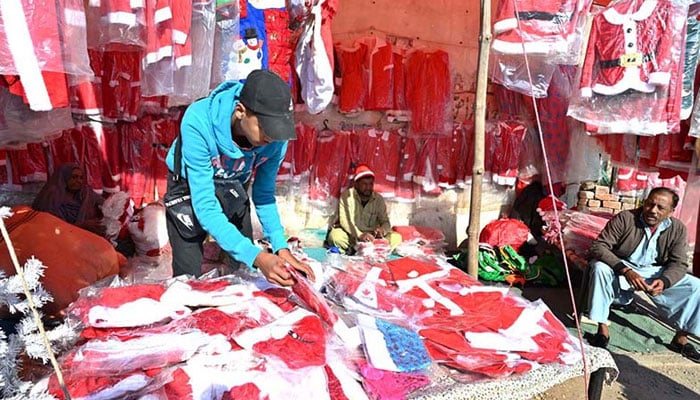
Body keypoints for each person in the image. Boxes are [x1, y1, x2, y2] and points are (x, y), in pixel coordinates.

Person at [164, 69, 313, 286]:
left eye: (277, 130)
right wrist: (258, 257)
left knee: (241, 274)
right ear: (240, 111)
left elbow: (263, 195)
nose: (271, 137)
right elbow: (205, 207)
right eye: (265, 128)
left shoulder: (274, 140)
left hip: (232, 184)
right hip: (190, 186)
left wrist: (280, 247)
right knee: (188, 281)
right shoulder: (198, 121)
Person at [586, 187, 700, 362]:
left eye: (660, 208)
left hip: (654, 271)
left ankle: (681, 338)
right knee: (600, 267)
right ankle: (602, 331)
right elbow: (599, 247)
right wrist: (626, 271)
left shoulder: (677, 229)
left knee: (695, 286)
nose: (652, 210)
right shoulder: (626, 218)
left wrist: (664, 281)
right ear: (644, 203)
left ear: (671, 211)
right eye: (649, 204)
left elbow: (679, 263)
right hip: (623, 266)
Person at [326, 164, 402, 254]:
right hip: (352, 236)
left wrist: (382, 230)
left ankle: (373, 250)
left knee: (396, 238)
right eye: (364, 184)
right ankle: (356, 249)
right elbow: (345, 221)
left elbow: (385, 222)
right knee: (335, 236)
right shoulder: (347, 197)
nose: (368, 188)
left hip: (371, 239)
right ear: (356, 184)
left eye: (370, 184)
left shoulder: (378, 199)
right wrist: (360, 235)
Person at [32, 163, 106, 236]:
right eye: (74, 177)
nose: (79, 181)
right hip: (61, 241)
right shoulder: (51, 197)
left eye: (81, 178)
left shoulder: (86, 193)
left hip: (88, 238)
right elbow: (51, 227)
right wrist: (82, 225)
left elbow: (106, 205)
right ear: (64, 177)